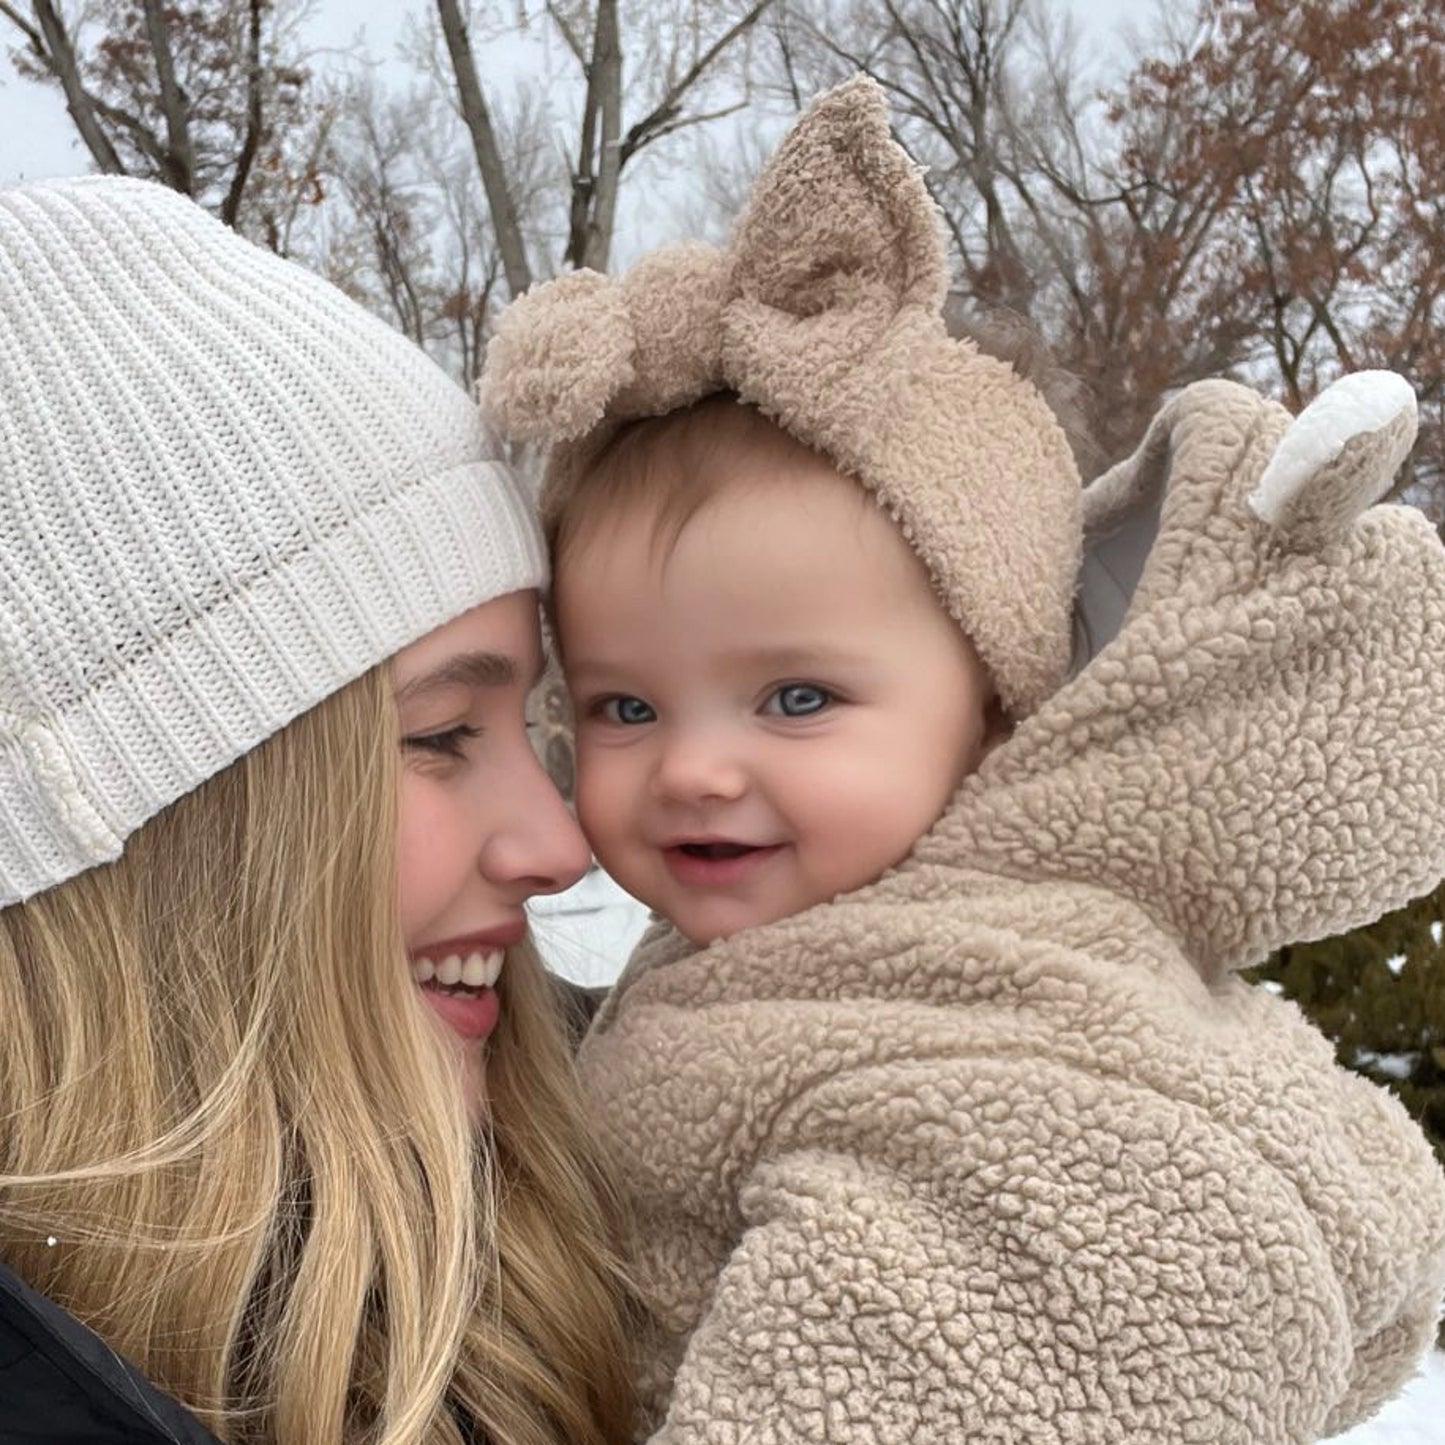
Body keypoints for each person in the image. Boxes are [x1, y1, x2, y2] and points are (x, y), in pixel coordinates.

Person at [480, 78, 1445, 1443]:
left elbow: (967, 1350)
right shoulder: (810, 937)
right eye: (626, 708)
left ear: (991, 703)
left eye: (796, 695)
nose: (691, 769)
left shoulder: (996, 1035)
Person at [0, 177, 635, 1445]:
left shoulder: (662, 1164)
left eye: (538, 721)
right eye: (443, 734)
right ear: (155, 834)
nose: (562, 845)